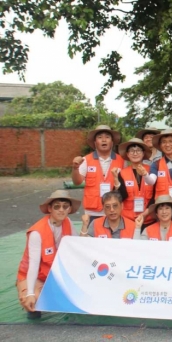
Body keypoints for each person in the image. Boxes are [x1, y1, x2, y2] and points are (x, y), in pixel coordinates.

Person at [16, 190, 81, 319]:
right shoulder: (37, 233)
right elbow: (33, 266)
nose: (61, 210)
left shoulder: (68, 222)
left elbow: (76, 248)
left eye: (65, 206)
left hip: (56, 273)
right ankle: (29, 293)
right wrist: (29, 293)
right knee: (34, 303)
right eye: (57, 206)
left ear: (69, 209)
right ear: (50, 209)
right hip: (36, 276)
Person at [72, 125, 124, 221]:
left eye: (107, 137)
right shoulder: (86, 160)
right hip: (92, 212)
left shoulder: (122, 161)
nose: (104, 140)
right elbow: (77, 182)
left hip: (114, 211)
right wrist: (75, 168)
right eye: (100, 137)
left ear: (112, 142)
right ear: (95, 142)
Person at [113, 138, 154, 230]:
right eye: (132, 151)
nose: (135, 153)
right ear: (127, 154)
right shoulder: (122, 173)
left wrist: (144, 215)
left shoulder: (151, 171)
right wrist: (115, 179)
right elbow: (119, 197)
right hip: (128, 220)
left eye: (138, 150)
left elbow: (155, 197)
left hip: (149, 220)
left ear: (143, 153)